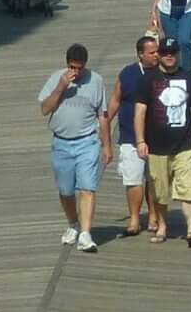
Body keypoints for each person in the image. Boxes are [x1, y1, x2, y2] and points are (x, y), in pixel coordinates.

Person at [133, 35, 191, 246]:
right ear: (159, 55)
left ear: (178, 54)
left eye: (172, 53)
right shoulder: (148, 79)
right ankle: (163, 226)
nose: (169, 57)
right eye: (165, 53)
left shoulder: (190, 79)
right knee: (160, 190)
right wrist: (140, 140)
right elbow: (140, 110)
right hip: (156, 146)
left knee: (188, 187)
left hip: (184, 143)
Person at [37, 41, 111, 252]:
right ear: (67, 64)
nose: (76, 72)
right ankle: (73, 224)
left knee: (87, 188)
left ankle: (86, 234)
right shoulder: (55, 78)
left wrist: (106, 146)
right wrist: (61, 86)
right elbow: (44, 109)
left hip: (87, 140)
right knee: (66, 191)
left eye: (79, 68)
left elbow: (103, 115)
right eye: (72, 67)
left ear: (85, 65)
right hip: (61, 142)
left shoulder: (96, 81)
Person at [108, 31, 162, 237]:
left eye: (157, 51)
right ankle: (133, 217)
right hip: (130, 135)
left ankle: (154, 216)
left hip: (157, 135)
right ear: (141, 55)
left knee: (154, 178)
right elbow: (115, 98)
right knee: (133, 178)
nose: (156, 55)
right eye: (152, 52)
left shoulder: (163, 73)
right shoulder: (128, 73)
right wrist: (105, 121)